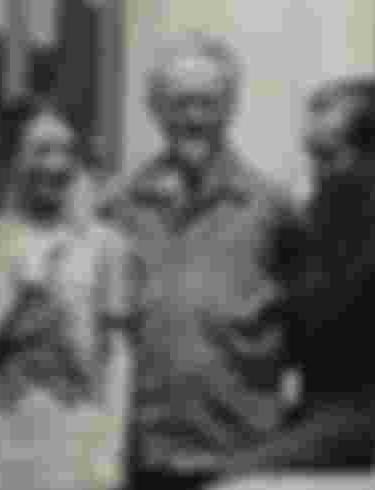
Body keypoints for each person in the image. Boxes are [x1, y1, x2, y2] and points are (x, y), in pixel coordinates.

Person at [189, 79, 375, 490]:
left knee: (235, 482)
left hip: (372, 419)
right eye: (310, 154)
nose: (313, 170)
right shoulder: (318, 215)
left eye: (327, 156)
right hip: (311, 411)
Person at [100, 33, 300, 490]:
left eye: (207, 104)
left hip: (242, 457)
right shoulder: (120, 209)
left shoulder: (271, 209)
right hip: (144, 457)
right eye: (179, 104)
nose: (194, 119)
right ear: (155, 110)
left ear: (230, 108)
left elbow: (307, 330)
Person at [0, 103, 136, 490]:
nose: (56, 165)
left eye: (67, 151)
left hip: (77, 434)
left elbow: (117, 356)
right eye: (42, 151)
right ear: (10, 156)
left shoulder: (104, 246)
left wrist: (109, 454)